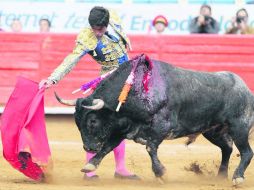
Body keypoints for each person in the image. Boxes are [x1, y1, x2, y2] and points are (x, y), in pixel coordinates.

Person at [39, 6, 139, 180]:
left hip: (126, 79)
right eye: (94, 29)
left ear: (107, 24)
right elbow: (71, 60)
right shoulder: (86, 37)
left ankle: (121, 169)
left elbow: (120, 32)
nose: (97, 33)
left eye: (100, 29)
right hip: (107, 83)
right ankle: (90, 170)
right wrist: (52, 79)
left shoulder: (113, 17)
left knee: (122, 123)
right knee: (96, 123)